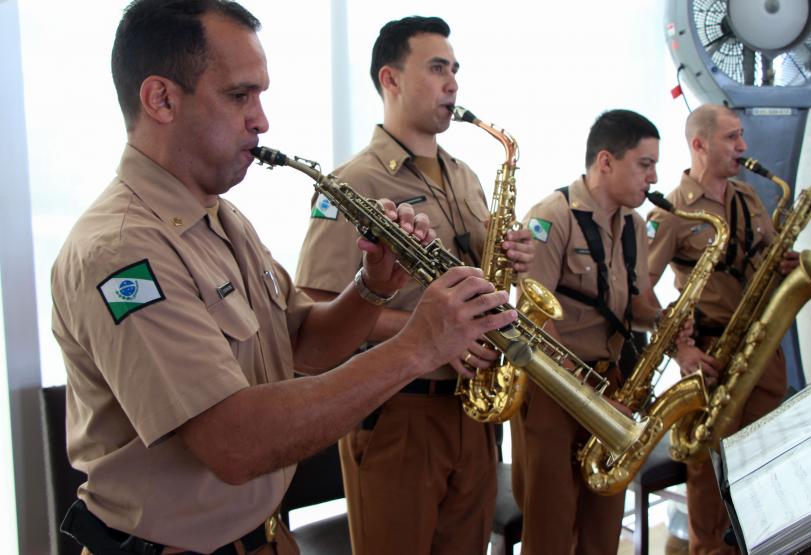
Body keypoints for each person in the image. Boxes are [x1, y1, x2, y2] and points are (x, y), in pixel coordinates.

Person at [50, 2, 516, 554]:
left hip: (267, 537)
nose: (262, 120)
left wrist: (373, 286)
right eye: (239, 95)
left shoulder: (223, 219)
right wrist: (419, 344)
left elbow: (304, 342)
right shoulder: (123, 250)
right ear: (161, 99)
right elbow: (233, 443)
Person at [294, 15, 534, 555]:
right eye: (436, 68)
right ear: (391, 79)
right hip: (400, 413)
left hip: (472, 412)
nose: (452, 83)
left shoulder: (468, 176)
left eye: (454, 69)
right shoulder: (354, 184)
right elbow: (316, 307)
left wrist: (513, 259)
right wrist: (433, 334)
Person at [509, 109, 666, 555]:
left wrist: (663, 319)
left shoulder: (635, 226)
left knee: (603, 528)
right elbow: (533, 320)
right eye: (645, 163)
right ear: (606, 161)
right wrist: (590, 397)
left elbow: (632, 304)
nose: (654, 177)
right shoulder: (550, 216)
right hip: (554, 392)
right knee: (551, 530)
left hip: (609, 387)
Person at [646, 103, 799, 554]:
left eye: (741, 136)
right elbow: (640, 293)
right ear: (700, 144)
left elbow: (767, 259)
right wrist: (681, 351)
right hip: (713, 353)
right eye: (732, 137)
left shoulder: (748, 197)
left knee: (763, 454)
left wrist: (784, 266)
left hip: (761, 343)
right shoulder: (670, 211)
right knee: (710, 466)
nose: (743, 146)